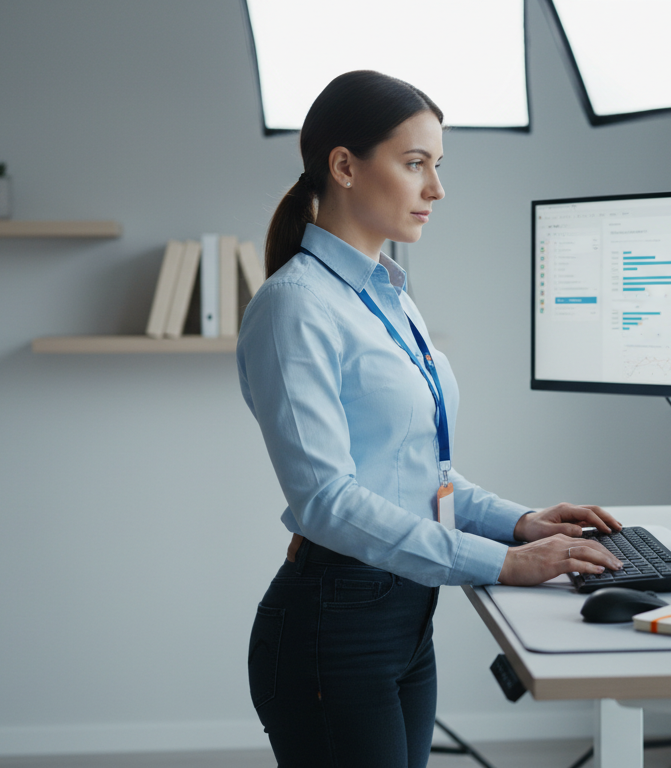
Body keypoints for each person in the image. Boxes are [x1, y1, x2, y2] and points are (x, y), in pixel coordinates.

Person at [237, 70, 623, 768]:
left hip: (405, 620)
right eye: (416, 164)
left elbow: (425, 474)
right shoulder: (295, 306)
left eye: (436, 166)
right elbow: (327, 501)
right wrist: (504, 563)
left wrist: (521, 522)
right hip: (335, 624)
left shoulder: (392, 296)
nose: (436, 189)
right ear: (345, 166)